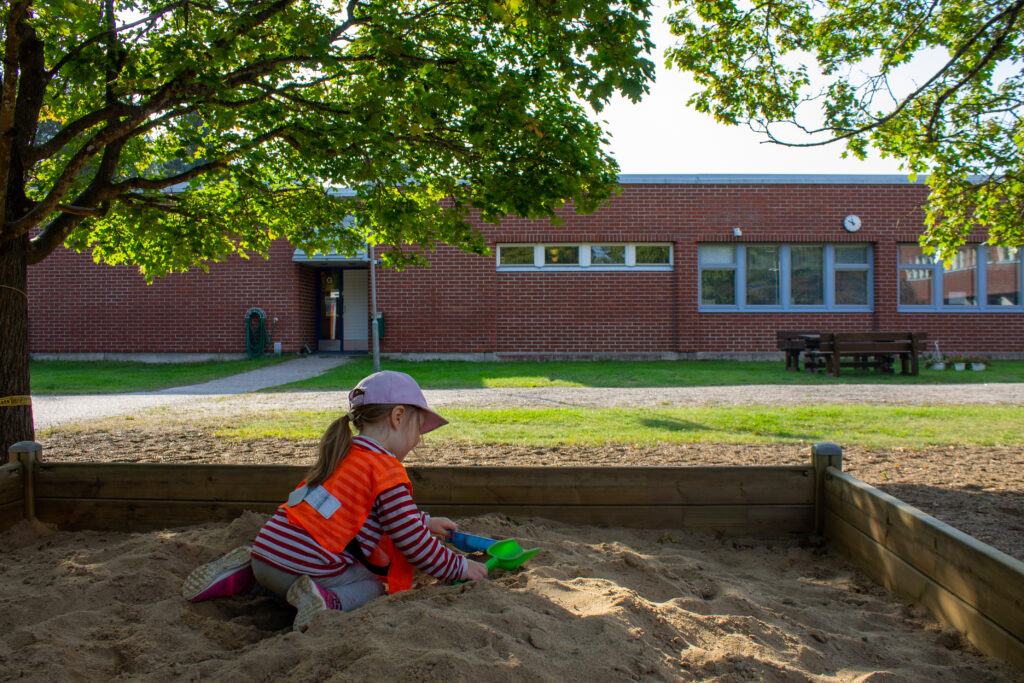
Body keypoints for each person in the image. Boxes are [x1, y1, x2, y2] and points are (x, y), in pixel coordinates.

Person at [181, 370, 489, 630]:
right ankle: (327, 602)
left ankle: (246, 575)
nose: (418, 441)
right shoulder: (386, 470)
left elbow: (362, 513)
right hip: (305, 567)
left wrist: (425, 521)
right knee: (372, 585)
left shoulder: (344, 454)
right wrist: (458, 567)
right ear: (398, 417)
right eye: (419, 429)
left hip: (268, 551)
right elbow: (412, 543)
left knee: (284, 569)